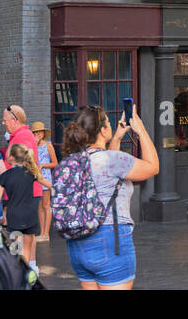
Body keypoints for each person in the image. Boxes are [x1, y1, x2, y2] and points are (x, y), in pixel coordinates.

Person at [59, 104, 158, 290]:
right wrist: (141, 130)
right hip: (110, 240)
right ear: (103, 130)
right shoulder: (112, 161)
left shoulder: (72, 161)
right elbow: (152, 166)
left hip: (78, 243)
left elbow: (109, 174)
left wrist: (118, 136)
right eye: (108, 123)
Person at [0, 143, 45, 271]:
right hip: (30, 215)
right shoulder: (31, 173)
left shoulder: (4, 176)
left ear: (11, 158)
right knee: (26, 250)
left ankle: (18, 276)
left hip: (14, 216)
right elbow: (46, 183)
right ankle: (27, 276)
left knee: (16, 251)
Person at [3, 104, 42, 199]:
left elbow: (27, 164)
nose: (3, 123)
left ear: (15, 120)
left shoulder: (22, 136)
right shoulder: (22, 134)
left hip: (23, 193)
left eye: (5, 120)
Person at [32, 120, 57, 240]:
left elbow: (55, 163)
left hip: (45, 176)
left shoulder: (48, 145)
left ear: (43, 133)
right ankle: (41, 233)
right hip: (36, 177)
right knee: (39, 206)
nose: (38, 134)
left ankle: (46, 233)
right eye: (36, 132)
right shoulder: (32, 146)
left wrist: (43, 166)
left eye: (40, 132)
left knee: (46, 205)